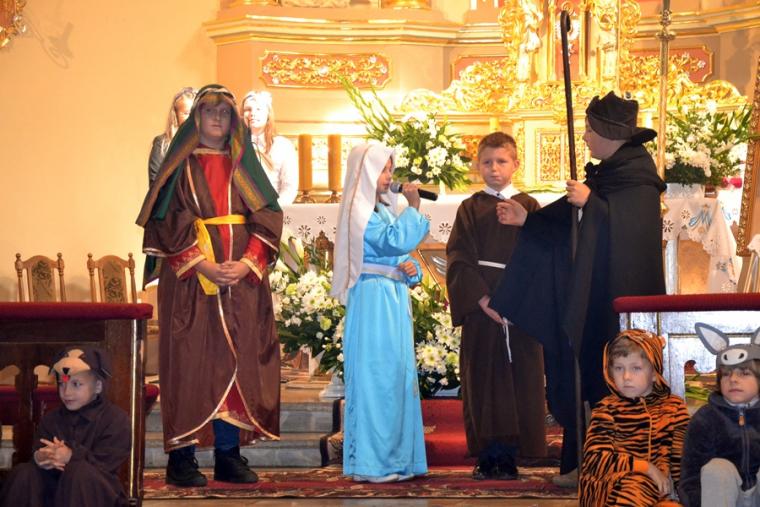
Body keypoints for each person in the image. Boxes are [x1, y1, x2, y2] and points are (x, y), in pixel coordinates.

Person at [490, 91, 666, 483]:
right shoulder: (607, 173)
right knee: (585, 370)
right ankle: (581, 461)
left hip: (617, 299)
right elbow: (567, 219)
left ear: (608, 133)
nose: (584, 137)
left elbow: (630, 232)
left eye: (589, 129)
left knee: (612, 375)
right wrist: (529, 220)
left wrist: (593, 205)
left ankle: (618, 467)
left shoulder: (637, 176)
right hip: (592, 295)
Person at [136, 84, 283, 487]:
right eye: (209, 112)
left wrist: (248, 262)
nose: (217, 119)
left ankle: (228, 455)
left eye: (224, 112)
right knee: (192, 365)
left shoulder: (244, 167)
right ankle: (182, 459)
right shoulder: (180, 167)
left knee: (238, 364)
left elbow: (267, 216)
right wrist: (203, 265)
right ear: (196, 119)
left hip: (242, 282)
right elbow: (167, 221)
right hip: (192, 285)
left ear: (233, 120)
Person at [446, 132, 546, 480]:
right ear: (478, 166)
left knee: (520, 382)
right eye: (487, 162)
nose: (494, 168)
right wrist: (483, 300)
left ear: (516, 164)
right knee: (484, 382)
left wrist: (518, 301)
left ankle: (512, 457)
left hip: (520, 311)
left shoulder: (529, 206)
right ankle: (488, 456)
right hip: (482, 310)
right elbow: (459, 258)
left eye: (501, 161)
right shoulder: (470, 208)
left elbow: (543, 253)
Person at [331, 142, 429, 483]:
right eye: (382, 170)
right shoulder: (359, 213)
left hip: (392, 299)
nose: (389, 176)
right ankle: (374, 462)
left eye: (390, 169)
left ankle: (398, 460)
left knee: (396, 378)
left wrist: (412, 270)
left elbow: (398, 255)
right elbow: (392, 242)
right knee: (377, 380)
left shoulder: (383, 210)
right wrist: (413, 207)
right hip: (372, 301)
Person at [0, 347, 131, 507]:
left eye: (76, 384)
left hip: (94, 493)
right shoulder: (51, 419)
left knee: (79, 473)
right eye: (62, 384)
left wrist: (71, 456)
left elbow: (105, 464)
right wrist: (41, 457)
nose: (67, 392)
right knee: (24, 473)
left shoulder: (116, 419)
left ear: (98, 386)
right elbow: (40, 448)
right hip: (55, 490)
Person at [579, 330, 690, 507]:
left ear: (654, 373)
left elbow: (681, 463)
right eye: (618, 368)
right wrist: (646, 468)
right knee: (638, 485)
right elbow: (595, 459)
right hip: (607, 489)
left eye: (636, 368)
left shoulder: (674, 407)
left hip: (653, 494)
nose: (626, 377)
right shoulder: (606, 408)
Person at [679, 324, 760, 506]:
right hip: (721, 499)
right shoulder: (706, 419)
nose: (733, 379)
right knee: (717, 469)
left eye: (744, 373)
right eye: (726, 374)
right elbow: (690, 475)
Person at [241, 90, 299, 205]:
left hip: (274, 210)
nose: (252, 113)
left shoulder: (283, 146)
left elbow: (289, 187)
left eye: (258, 109)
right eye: (248, 109)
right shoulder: (234, 146)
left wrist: (273, 209)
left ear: (268, 114)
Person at [147, 86, 197, 186]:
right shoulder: (162, 145)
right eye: (187, 113)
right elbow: (156, 187)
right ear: (176, 116)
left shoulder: (210, 146)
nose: (192, 117)